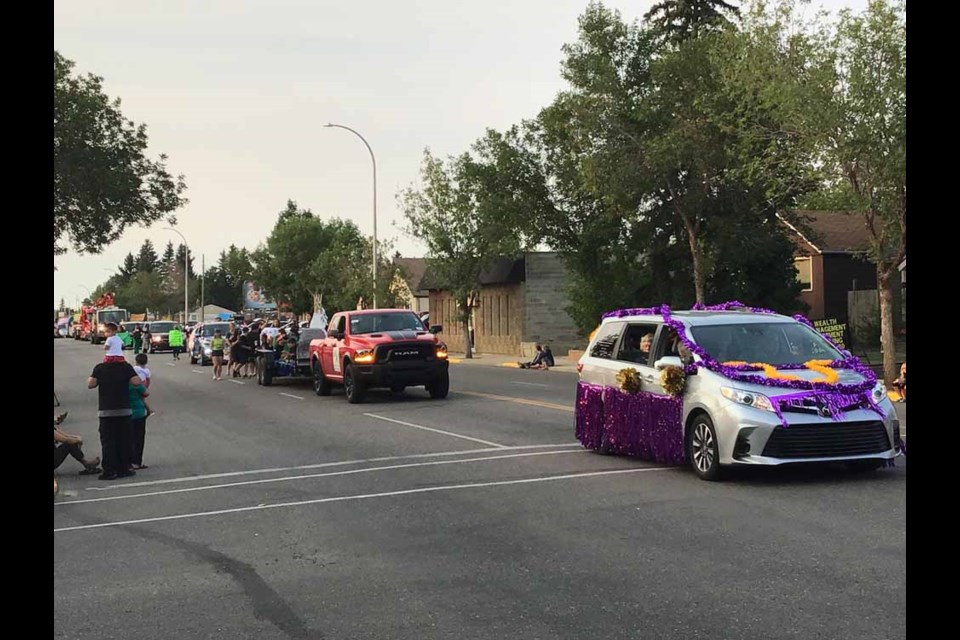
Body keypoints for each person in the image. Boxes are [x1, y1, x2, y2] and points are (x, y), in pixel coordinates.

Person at [88, 339, 142, 480]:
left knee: (108, 442)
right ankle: (124, 469)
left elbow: (91, 384)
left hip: (106, 411)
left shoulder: (100, 368)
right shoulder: (125, 367)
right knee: (124, 441)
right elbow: (136, 382)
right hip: (124, 410)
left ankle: (110, 471)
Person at [128, 376, 150, 470]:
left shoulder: (121, 384)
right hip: (138, 413)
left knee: (128, 439)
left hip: (125, 413)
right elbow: (146, 393)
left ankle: (127, 461)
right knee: (138, 439)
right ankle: (136, 462)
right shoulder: (136, 384)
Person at [133, 352, 155, 417]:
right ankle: (148, 410)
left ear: (136, 361)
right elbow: (148, 380)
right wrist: (146, 387)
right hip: (143, 384)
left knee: (140, 399)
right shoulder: (147, 370)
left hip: (136, 384)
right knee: (142, 399)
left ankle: (149, 410)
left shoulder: (135, 368)